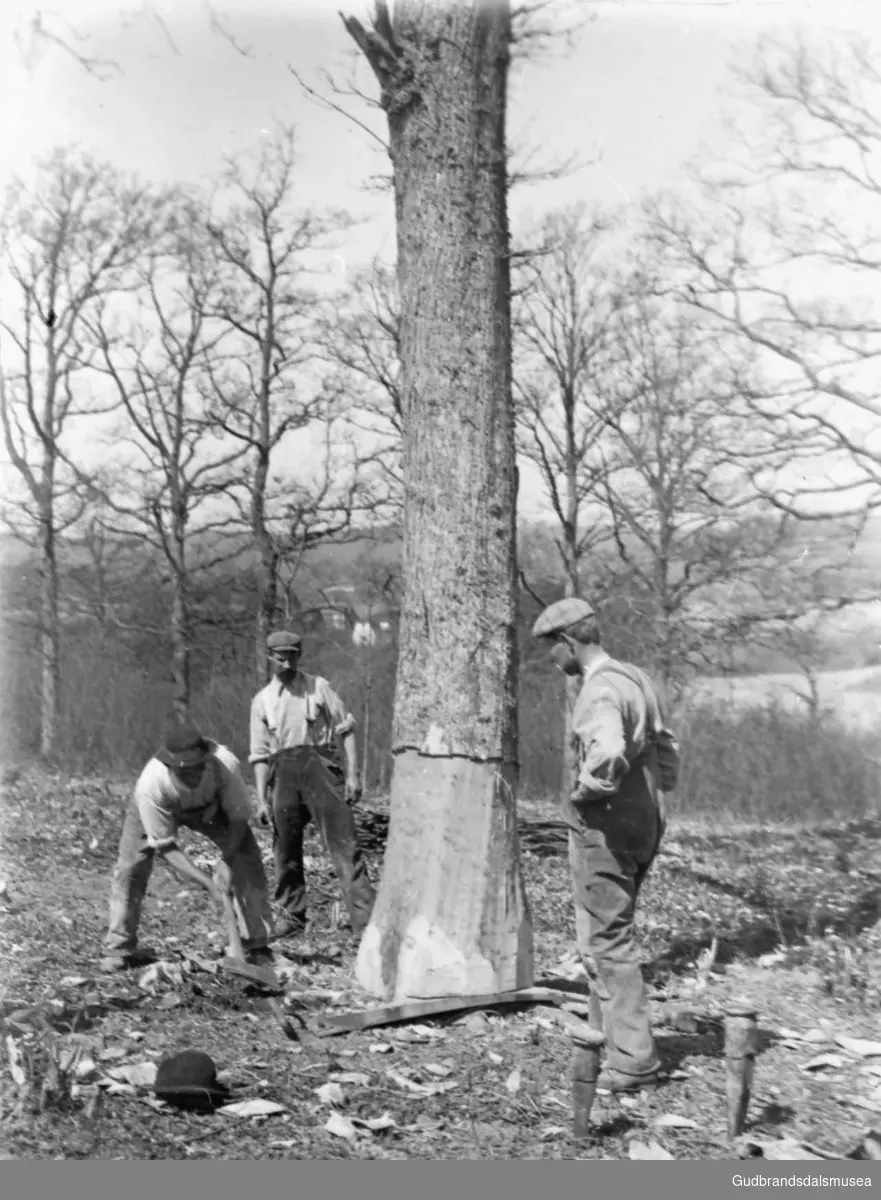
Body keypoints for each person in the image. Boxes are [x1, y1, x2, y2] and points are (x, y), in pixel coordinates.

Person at [532, 597, 681, 1092]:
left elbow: (609, 749)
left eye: (552, 649)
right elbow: (666, 746)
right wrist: (658, 794)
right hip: (645, 817)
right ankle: (604, 1036)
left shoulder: (597, 690)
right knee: (607, 929)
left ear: (568, 641)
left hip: (609, 825)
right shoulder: (635, 677)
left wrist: (586, 793)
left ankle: (634, 1061)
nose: (553, 660)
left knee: (605, 941)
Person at [100, 722, 275, 972]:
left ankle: (256, 945)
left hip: (213, 807)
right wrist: (207, 882)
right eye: (182, 773)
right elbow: (165, 846)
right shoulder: (151, 786)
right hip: (165, 808)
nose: (190, 776)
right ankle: (118, 946)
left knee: (247, 857)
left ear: (206, 760)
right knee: (130, 867)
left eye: (195, 770)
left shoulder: (225, 764)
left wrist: (226, 860)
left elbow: (238, 819)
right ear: (169, 767)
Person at [249, 629, 376, 941]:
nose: (287, 663)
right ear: (270, 658)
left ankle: (366, 923)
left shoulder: (318, 687)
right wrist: (261, 799)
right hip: (283, 772)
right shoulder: (262, 701)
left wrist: (353, 774)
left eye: (292, 656)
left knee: (344, 845)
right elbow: (260, 754)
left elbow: (345, 729)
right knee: (285, 850)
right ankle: (291, 917)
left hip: (319, 765)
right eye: (281, 658)